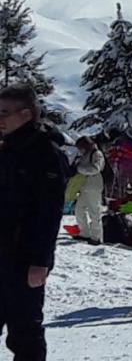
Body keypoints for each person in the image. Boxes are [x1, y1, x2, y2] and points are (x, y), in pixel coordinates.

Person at [0, 85, 68, 360]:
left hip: (23, 257)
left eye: (4, 113)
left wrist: (40, 260)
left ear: (26, 114)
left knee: (24, 331)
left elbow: (49, 213)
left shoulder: (46, 154)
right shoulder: (7, 149)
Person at [71, 137, 106, 244]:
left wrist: (80, 169)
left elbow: (95, 169)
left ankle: (96, 237)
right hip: (85, 187)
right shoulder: (86, 155)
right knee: (79, 210)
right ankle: (84, 233)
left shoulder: (97, 154)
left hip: (93, 187)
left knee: (94, 212)